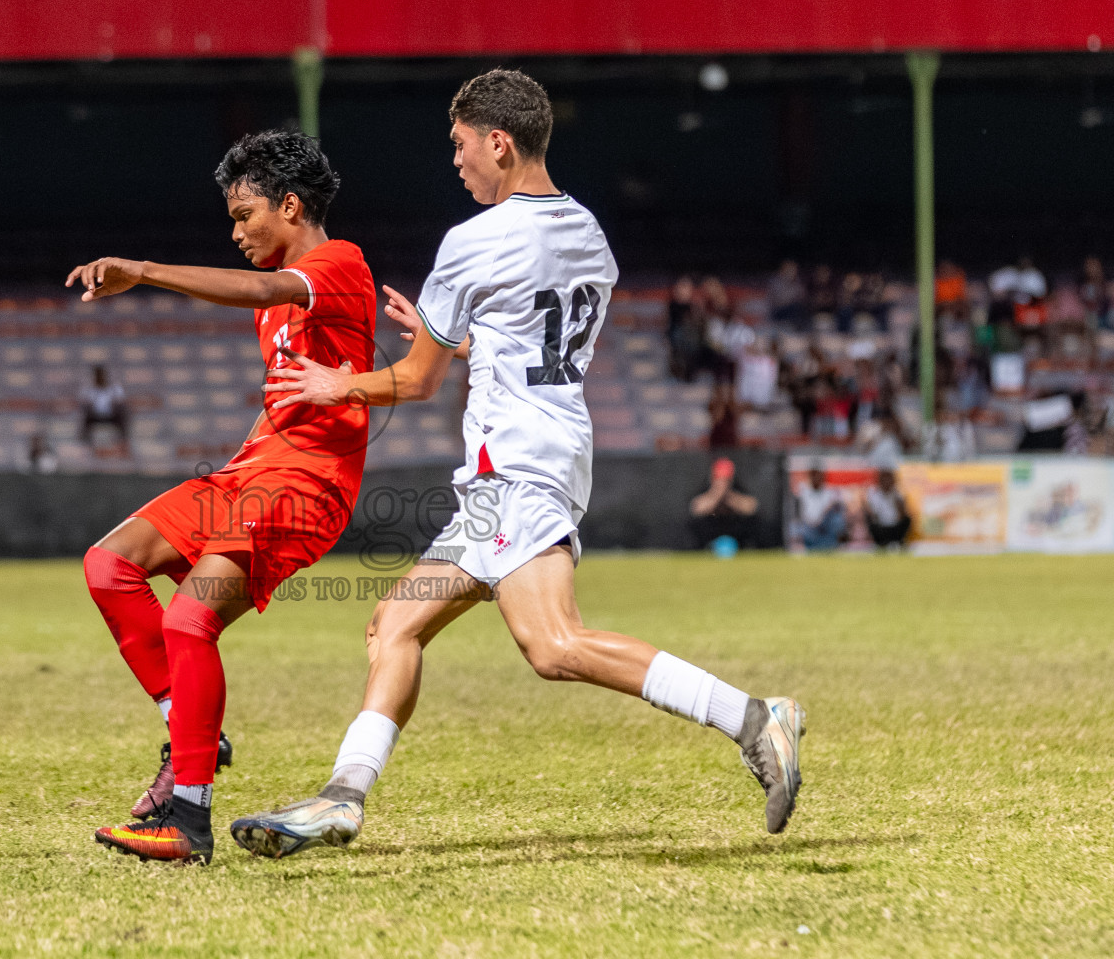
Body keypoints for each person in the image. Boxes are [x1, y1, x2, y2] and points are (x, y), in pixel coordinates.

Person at [230, 70, 805, 860]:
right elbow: (534, 343)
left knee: (553, 644)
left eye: (462, 146)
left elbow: (417, 381)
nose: (457, 162)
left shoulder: (473, 241)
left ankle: (751, 717)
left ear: (499, 142)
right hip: (546, 449)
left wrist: (342, 382)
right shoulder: (589, 233)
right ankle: (342, 798)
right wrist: (462, 336)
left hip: (517, 464)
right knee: (393, 625)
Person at [68, 130, 376, 865]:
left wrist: (142, 270)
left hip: (306, 487)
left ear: (291, 206)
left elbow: (266, 291)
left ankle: (188, 820)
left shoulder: (337, 264)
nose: (236, 232)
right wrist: (247, 450)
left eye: (245, 215)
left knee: (188, 622)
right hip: (254, 475)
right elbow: (283, 394)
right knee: (109, 565)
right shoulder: (283, 295)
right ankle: (190, 727)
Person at [688, 457, 760, 549]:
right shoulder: (704, 488)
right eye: (719, 478)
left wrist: (729, 496)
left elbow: (752, 507)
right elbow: (696, 508)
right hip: (709, 540)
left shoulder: (738, 488)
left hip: (737, 540)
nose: (723, 482)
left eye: (726, 479)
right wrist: (717, 495)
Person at [792, 466, 847, 550]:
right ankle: (799, 548)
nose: (816, 478)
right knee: (794, 526)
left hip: (824, 525)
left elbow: (838, 505)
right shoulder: (803, 491)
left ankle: (839, 545)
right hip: (808, 526)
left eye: (818, 475)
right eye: (814, 475)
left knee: (838, 519)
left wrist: (824, 514)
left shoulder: (829, 491)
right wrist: (811, 521)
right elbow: (801, 513)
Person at [78, 366, 129, 450]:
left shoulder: (114, 388)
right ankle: (85, 439)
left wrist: (115, 403)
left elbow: (121, 401)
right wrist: (89, 404)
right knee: (85, 415)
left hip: (111, 415)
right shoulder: (89, 389)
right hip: (95, 415)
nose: (100, 378)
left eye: (101, 376)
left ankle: (123, 438)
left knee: (123, 414)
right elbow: (83, 402)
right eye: (97, 376)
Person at [863, 469, 911, 550]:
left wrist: (897, 500)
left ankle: (897, 541)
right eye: (884, 480)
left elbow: (903, 513)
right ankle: (881, 542)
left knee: (907, 519)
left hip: (895, 526)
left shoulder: (897, 494)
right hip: (882, 527)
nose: (887, 482)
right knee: (869, 519)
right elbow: (874, 514)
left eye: (889, 480)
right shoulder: (876, 495)